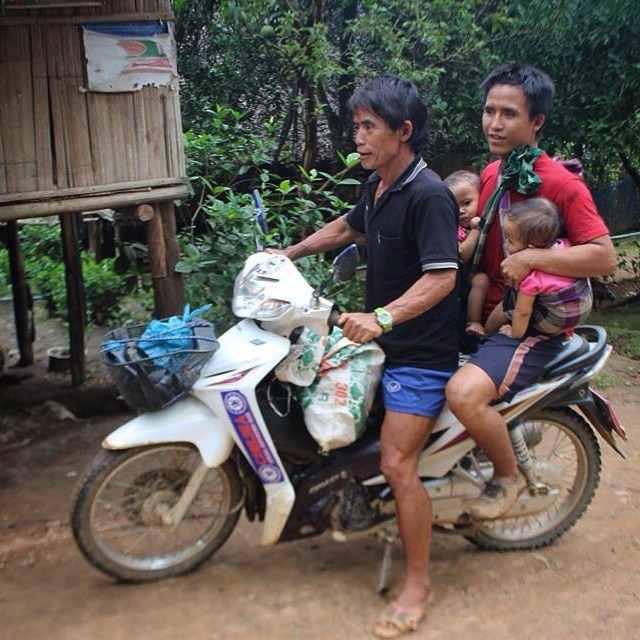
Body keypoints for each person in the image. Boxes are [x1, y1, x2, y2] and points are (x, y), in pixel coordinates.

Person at [270, 75, 459, 638]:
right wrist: (288, 253)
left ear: (403, 132)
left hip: (419, 351)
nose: (358, 136)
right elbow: (347, 229)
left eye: (369, 126)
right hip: (382, 339)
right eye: (356, 125)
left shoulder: (428, 195)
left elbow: (442, 277)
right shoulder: (379, 185)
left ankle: (418, 584)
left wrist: (381, 318)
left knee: (397, 464)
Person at [445, 63, 616, 521]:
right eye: (488, 112)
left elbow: (603, 256)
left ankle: (506, 477)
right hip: (486, 306)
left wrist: (533, 259)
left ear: (536, 121)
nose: (494, 124)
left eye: (508, 114)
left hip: (527, 324)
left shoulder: (562, 183)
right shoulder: (490, 174)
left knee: (463, 395)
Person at [484, 197, 593, 339]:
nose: (505, 242)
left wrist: (514, 333)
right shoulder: (566, 246)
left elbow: (523, 312)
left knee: (510, 304)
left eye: (510, 240)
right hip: (582, 308)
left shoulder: (530, 278)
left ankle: (485, 335)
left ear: (531, 247)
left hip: (556, 319)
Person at [443, 170, 489, 339]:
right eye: (455, 206)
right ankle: (473, 322)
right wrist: (476, 231)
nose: (461, 211)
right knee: (481, 280)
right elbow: (463, 254)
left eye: (467, 203)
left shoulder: (490, 219)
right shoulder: (454, 229)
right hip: (461, 278)